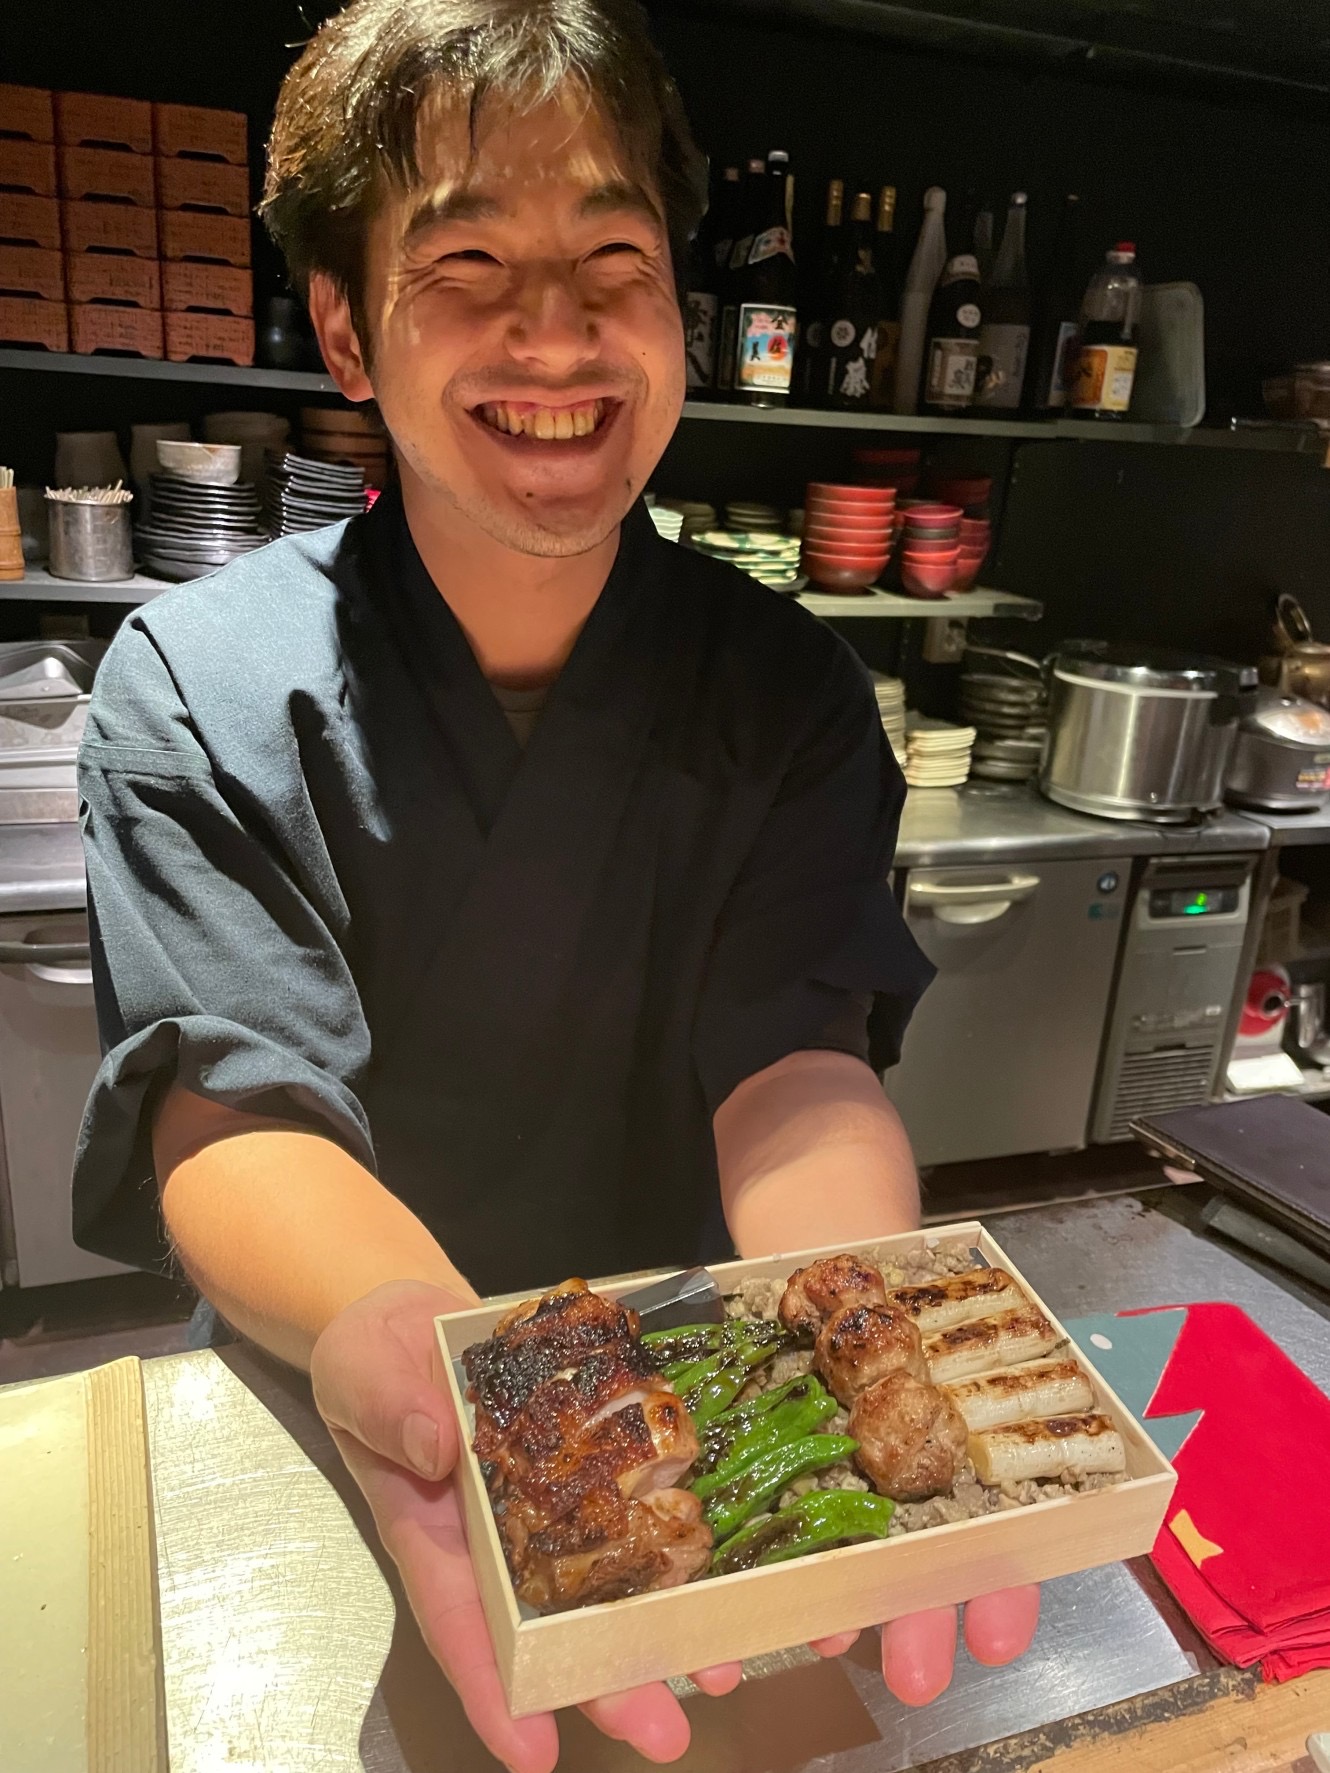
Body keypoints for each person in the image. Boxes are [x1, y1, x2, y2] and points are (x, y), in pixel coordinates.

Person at [72, 1, 1039, 1765]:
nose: (555, 326)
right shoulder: (195, 686)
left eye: (613, 250)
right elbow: (236, 1104)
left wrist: (855, 1324)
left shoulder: (787, 690)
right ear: (349, 331)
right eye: (467, 260)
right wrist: (436, 1364)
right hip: (348, 1403)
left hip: (693, 1410)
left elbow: (797, 1060)